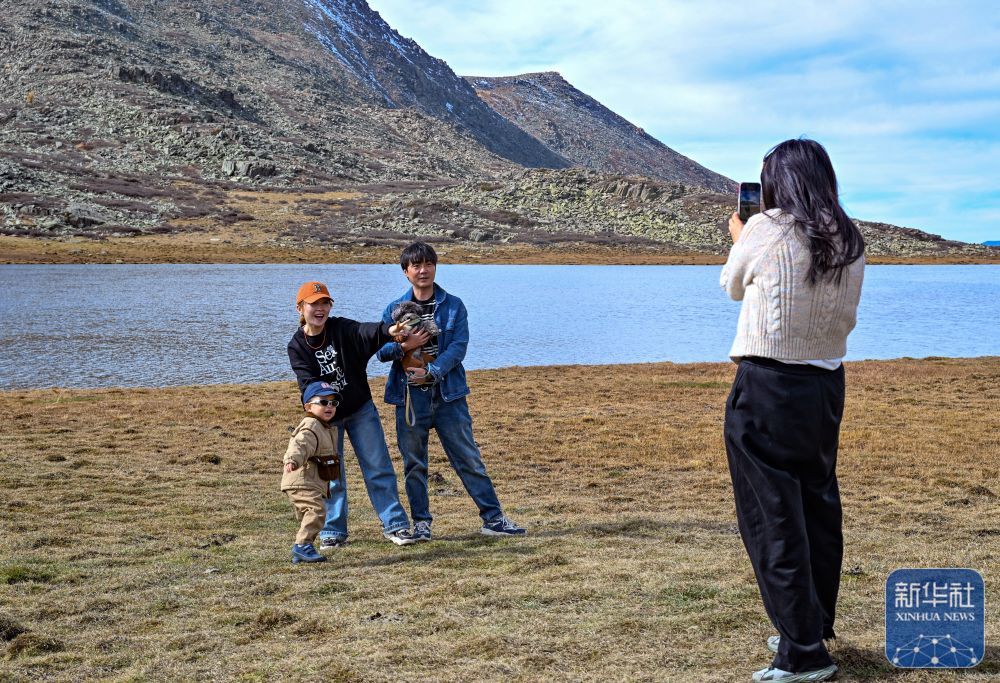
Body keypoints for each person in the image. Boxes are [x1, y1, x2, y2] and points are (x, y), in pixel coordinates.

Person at [721, 138, 865, 682]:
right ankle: (811, 624)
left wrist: (741, 235)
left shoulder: (766, 228)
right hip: (826, 385)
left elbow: (732, 286)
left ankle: (803, 653)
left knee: (771, 514)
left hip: (767, 384)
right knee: (816, 504)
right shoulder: (849, 237)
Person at [377, 242, 525, 541]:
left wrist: (432, 371)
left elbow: (458, 347)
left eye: (428, 263)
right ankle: (421, 524)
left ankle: (493, 519)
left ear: (435, 266)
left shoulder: (454, 305)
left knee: (468, 458)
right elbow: (381, 352)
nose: (423, 270)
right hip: (409, 397)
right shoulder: (392, 310)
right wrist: (406, 346)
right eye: (416, 265)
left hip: (449, 396)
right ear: (405, 272)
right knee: (414, 463)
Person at [287, 280, 416, 547]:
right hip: (327, 419)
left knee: (378, 466)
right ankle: (333, 532)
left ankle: (396, 525)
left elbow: (366, 332)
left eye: (325, 303)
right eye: (314, 304)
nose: (320, 309)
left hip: (360, 409)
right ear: (300, 307)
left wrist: (389, 331)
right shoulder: (297, 346)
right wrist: (320, 404)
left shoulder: (342, 328)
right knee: (330, 474)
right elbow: (306, 382)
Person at [281, 381, 341, 564]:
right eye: (323, 402)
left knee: (310, 514)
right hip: (301, 480)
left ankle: (302, 552)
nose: (329, 406)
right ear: (308, 406)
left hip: (310, 481)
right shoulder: (311, 425)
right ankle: (302, 546)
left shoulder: (325, 427)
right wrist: (292, 460)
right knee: (316, 511)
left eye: (333, 403)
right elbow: (300, 444)